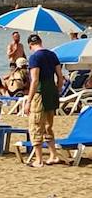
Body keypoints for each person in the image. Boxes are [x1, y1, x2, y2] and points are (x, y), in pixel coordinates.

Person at [26, 33, 66, 166]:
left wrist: (28, 101)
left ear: (30, 45)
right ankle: (53, 156)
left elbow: (35, 80)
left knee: (36, 126)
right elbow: (60, 77)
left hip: (40, 94)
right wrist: (57, 91)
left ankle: (39, 160)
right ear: (41, 41)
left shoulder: (34, 57)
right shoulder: (52, 55)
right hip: (51, 93)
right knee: (48, 126)